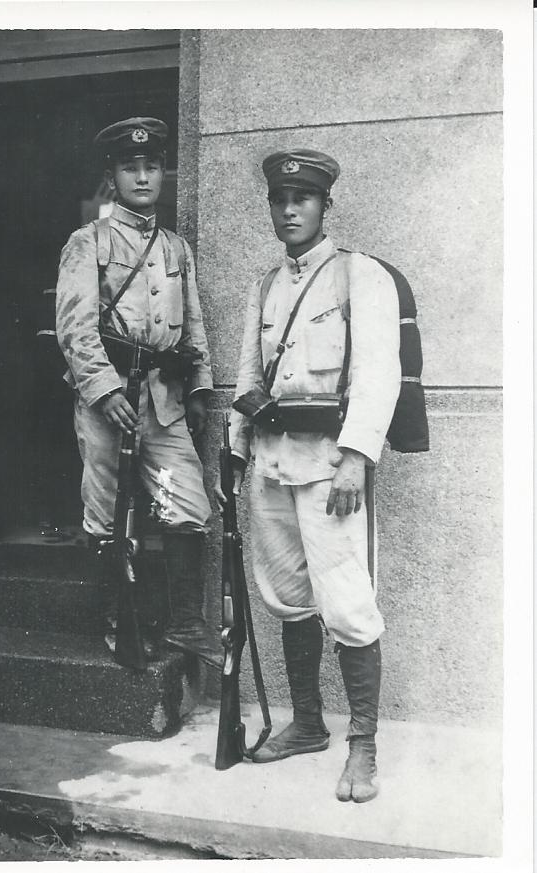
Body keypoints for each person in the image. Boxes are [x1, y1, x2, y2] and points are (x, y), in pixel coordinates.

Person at [216, 149, 401, 802]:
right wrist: (234, 456)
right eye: (279, 199)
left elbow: (380, 373)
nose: (289, 209)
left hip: (330, 469)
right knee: (288, 598)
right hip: (270, 466)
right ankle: (306, 724)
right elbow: (246, 379)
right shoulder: (264, 287)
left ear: (326, 205)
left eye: (303, 199)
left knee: (348, 603)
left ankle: (364, 744)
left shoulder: (360, 277)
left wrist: (356, 454)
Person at [56, 116, 221, 668]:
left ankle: (185, 625)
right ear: (113, 175)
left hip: (165, 401)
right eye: (132, 168)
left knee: (189, 503)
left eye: (153, 167)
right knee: (107, 510)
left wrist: (199, 388)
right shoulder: (89, 242)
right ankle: (116, 618)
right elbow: (74, 329)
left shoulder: (176, 248)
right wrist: (103, 392)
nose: (144, 177)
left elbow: (192, 325)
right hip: (110, 403)